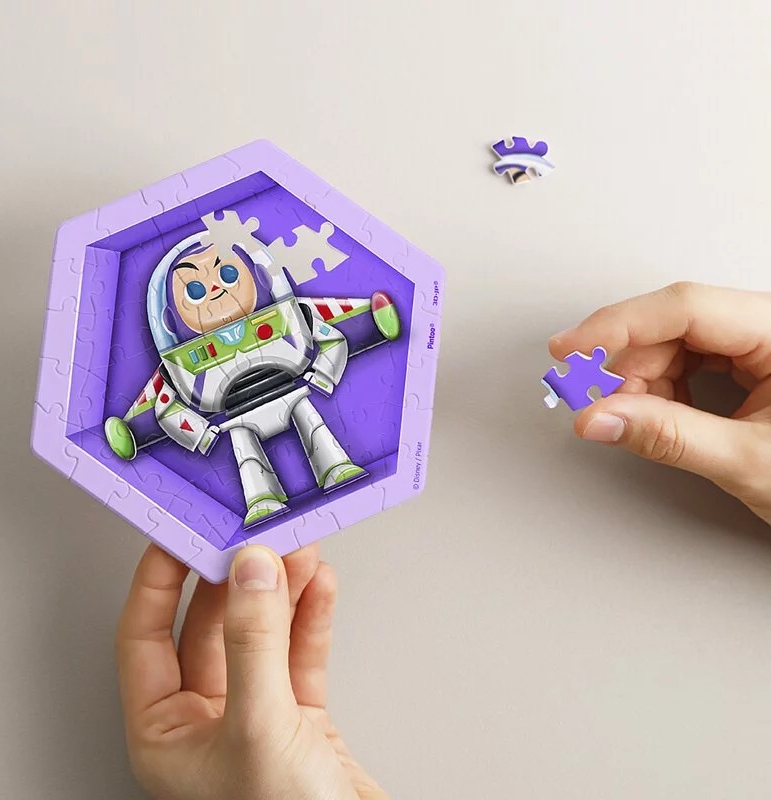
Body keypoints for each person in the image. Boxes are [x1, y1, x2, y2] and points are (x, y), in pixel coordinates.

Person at [116, 282, 771, 799]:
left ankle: (331, 464)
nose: (214, 289)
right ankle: (265, 489)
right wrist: (182, 429)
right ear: (170, 316)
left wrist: (354, 337)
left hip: (296, 390)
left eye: (225, 275)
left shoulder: (287, 313)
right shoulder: (180, 360)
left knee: (317, 431)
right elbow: (157, 398)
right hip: (234, 418)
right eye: (193, 288)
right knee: (247, 453)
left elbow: (329, 316)